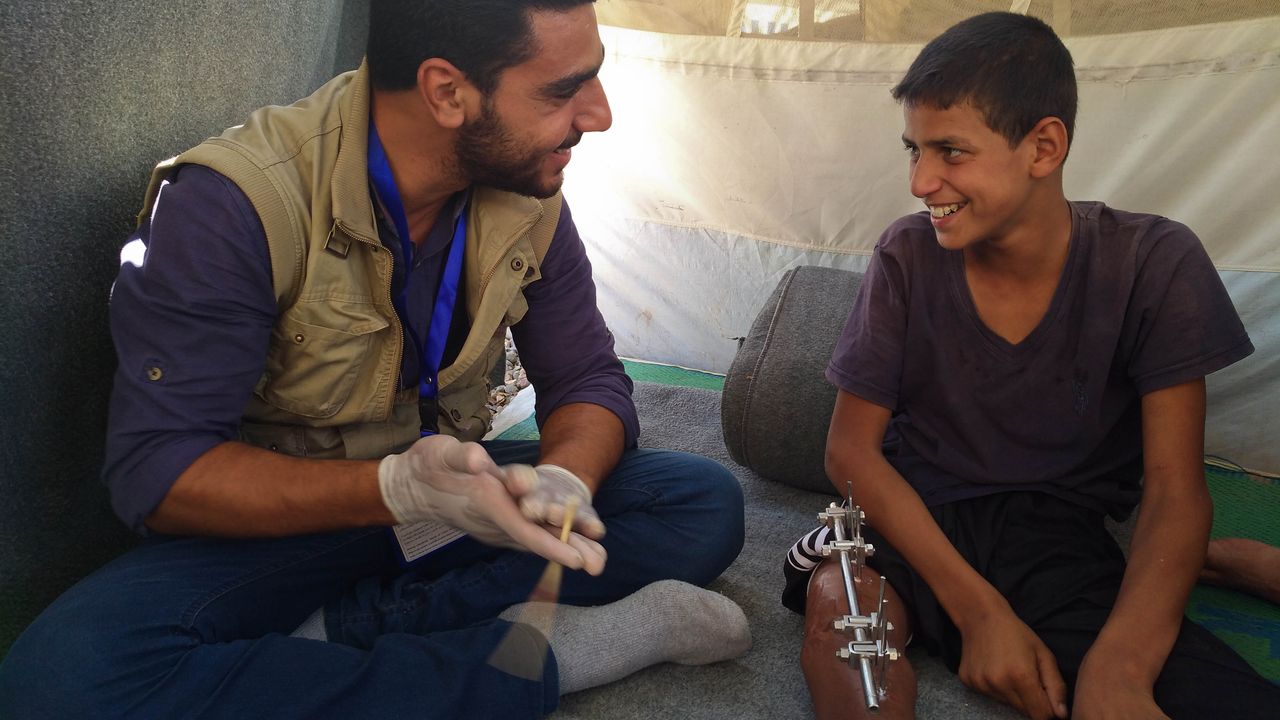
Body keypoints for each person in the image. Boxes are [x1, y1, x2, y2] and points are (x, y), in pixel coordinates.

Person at [0, 1, 749, 717]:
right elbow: (160, 476)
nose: (598, 114)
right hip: (291, 526)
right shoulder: (232, 206)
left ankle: (340, 634)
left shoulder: (528, 193)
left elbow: (585, 378)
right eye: (563, 90)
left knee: (695, 501)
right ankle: (549, 657)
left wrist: (564, 480)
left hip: (459, 506)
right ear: (447, 93)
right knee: (65, 681)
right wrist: (396, 490)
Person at [782, 12, 1280, 720]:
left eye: (949, 151)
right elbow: (850, 449)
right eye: (912, 150)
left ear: (1043, 147)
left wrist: (1120, 666)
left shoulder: (1151, 264)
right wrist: (980, 611)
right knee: (845, 623)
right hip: (911, 518)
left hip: (1056, 537)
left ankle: (1210, 560)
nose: (922, 181)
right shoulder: (906, 256)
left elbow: (1174, 487)